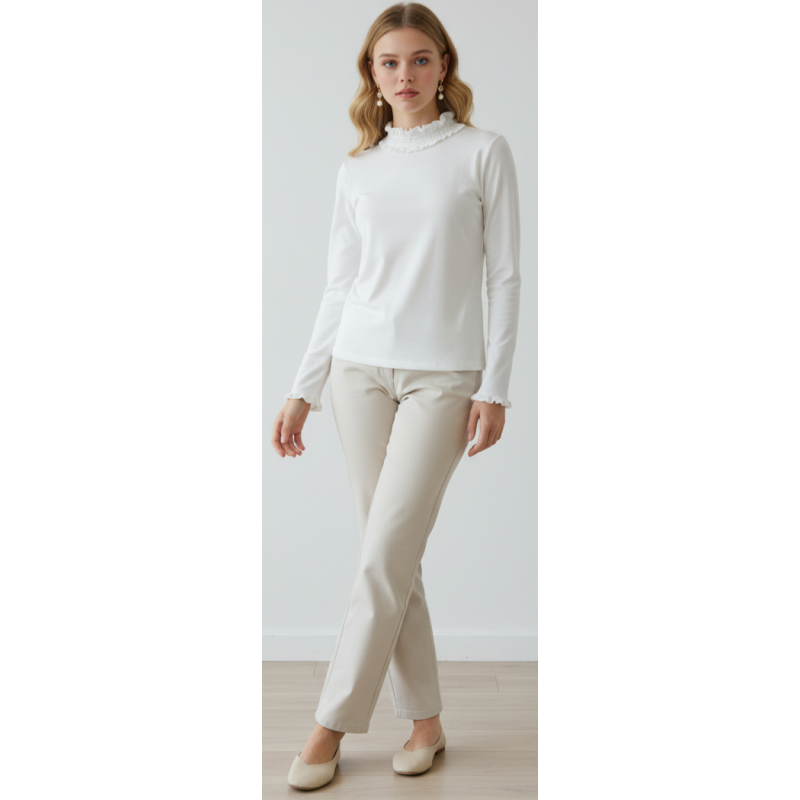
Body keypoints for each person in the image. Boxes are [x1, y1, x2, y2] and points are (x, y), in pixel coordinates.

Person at [272, 3, 521, 791]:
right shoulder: (359, 169)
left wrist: (496, 387)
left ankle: (327, 726)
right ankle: (424, 723)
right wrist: (304, 387)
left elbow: (505, 276)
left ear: (443, 66)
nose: (404, 74)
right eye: (389, 62)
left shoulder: (484, 152)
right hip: (357, 372)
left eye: (419, 59)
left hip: (443, 377)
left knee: (385, 553)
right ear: (372, 75)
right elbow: (338, 285)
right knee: (391, 553)